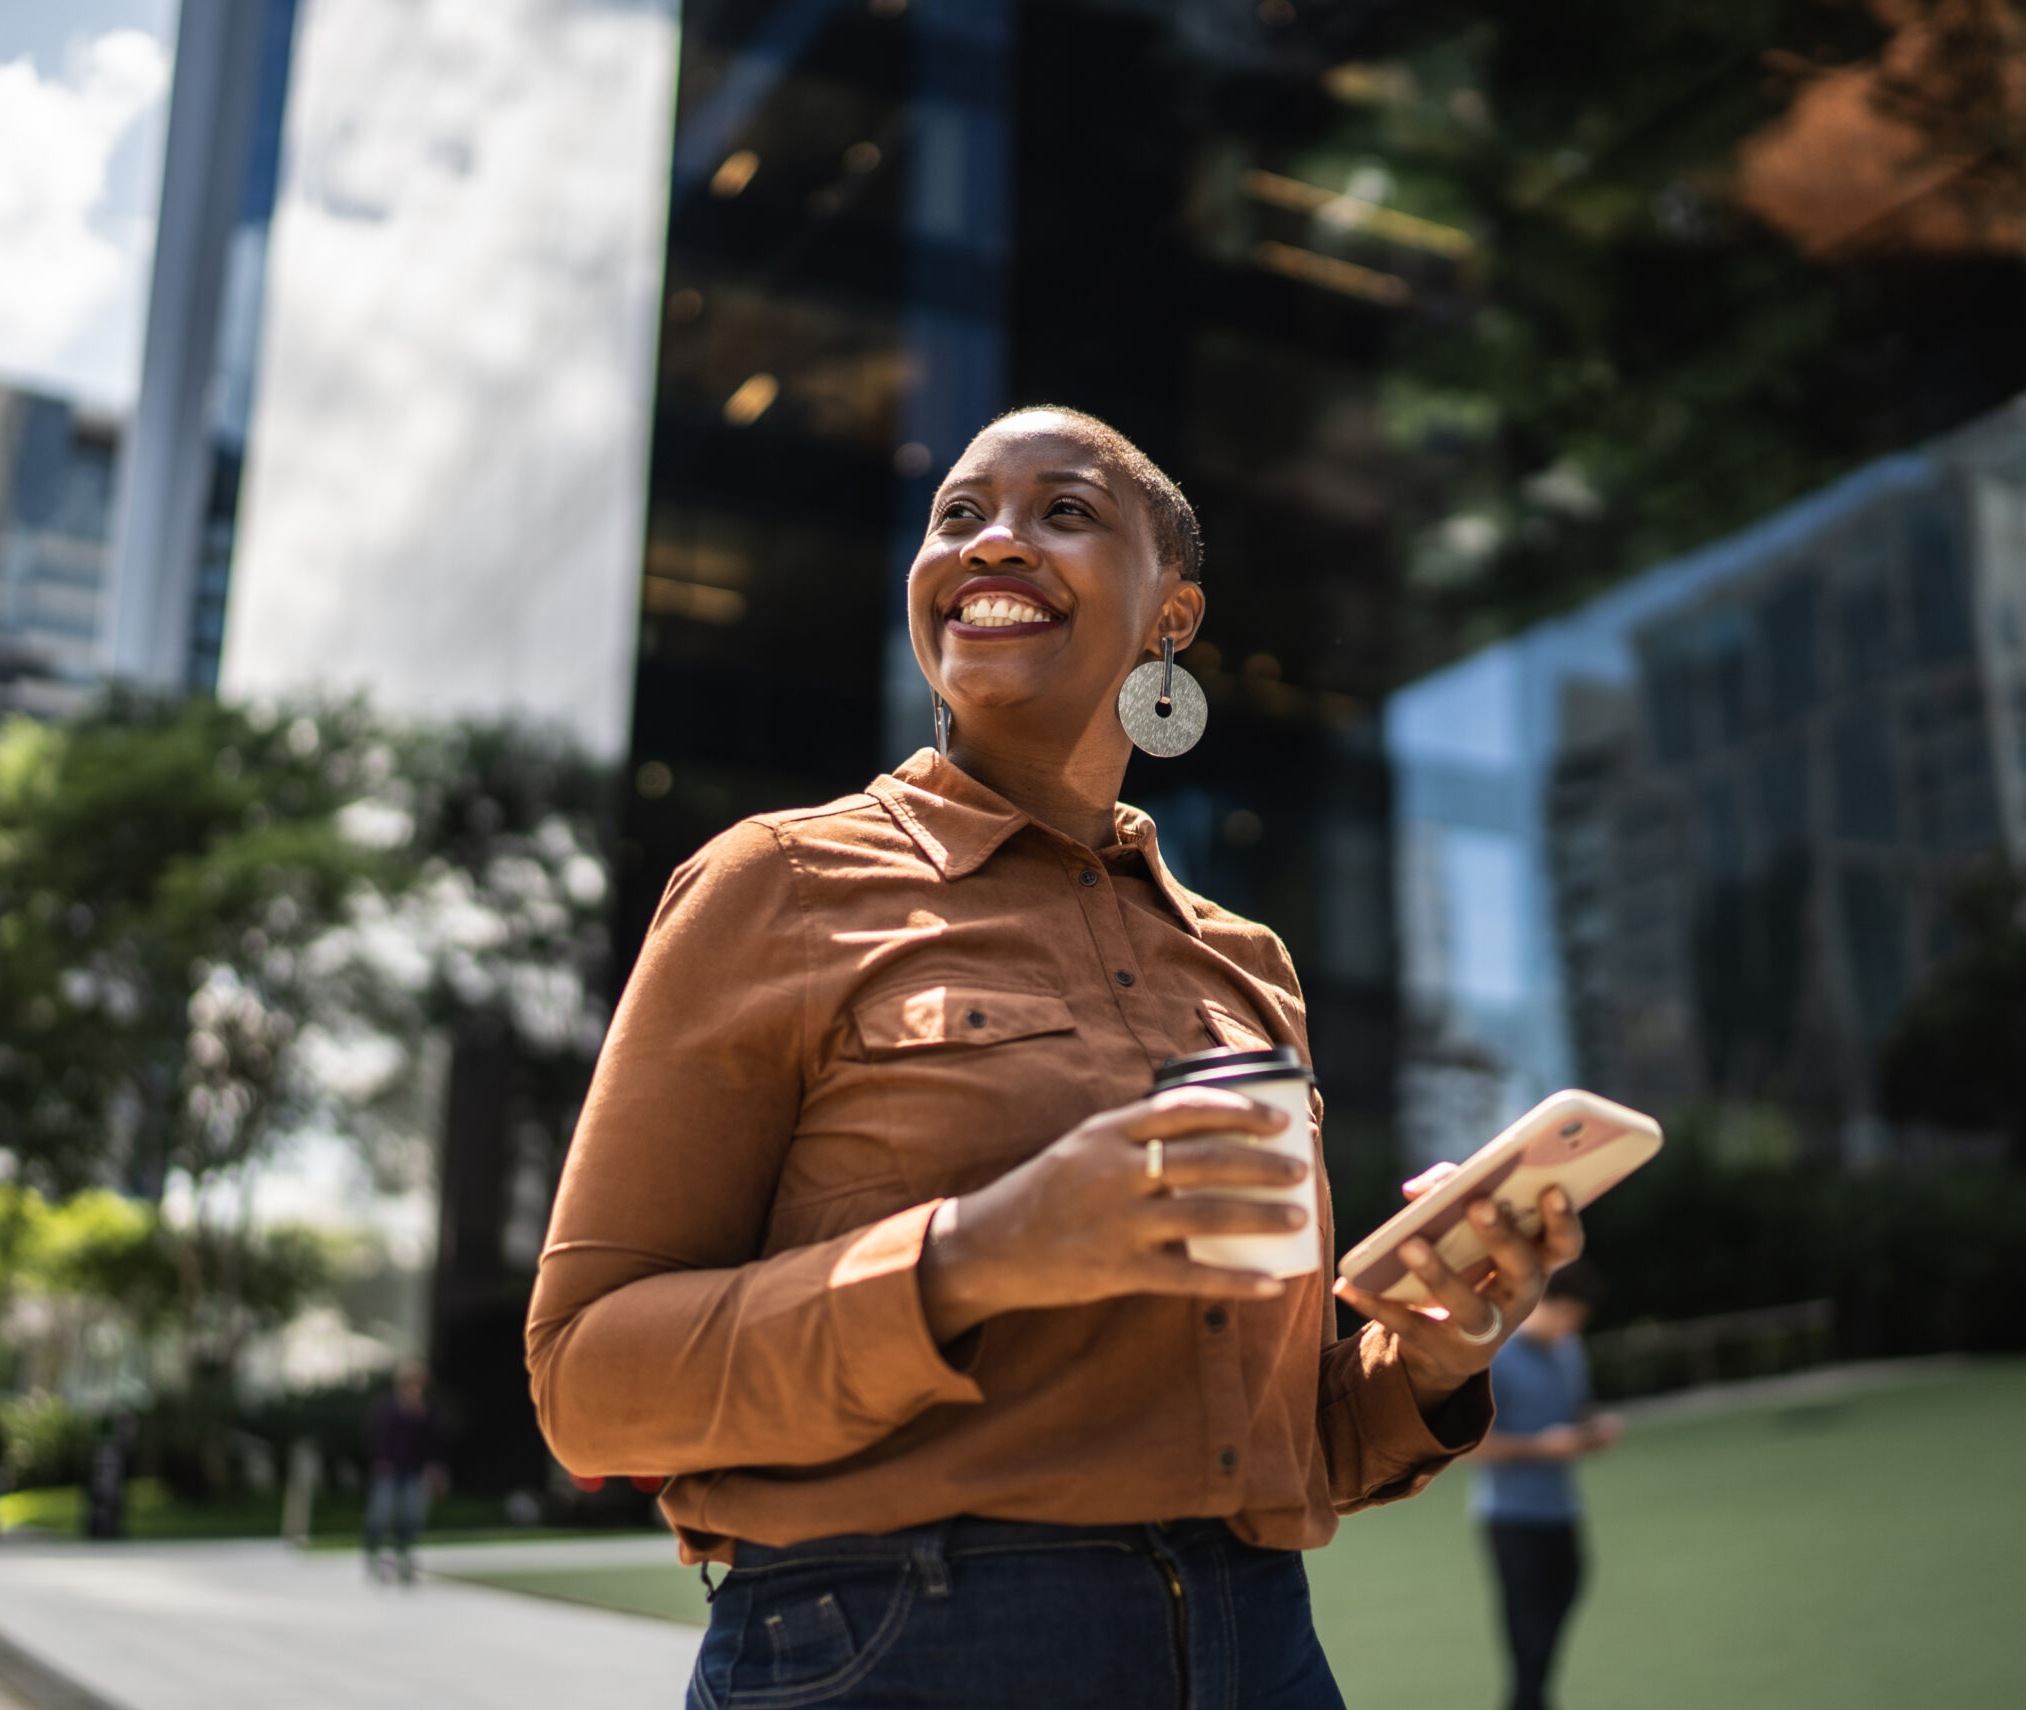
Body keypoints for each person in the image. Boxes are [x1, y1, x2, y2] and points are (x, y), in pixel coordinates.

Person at [528, 406, 1587, 1710]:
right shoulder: (777, 883)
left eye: (1064, 512)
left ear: (1173, 617)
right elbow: (588, 1381)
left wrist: (1425, 1356)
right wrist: (978, 1250)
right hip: (899, 1644)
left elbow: (1266, 1441)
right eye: (959, 516)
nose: (994, 544)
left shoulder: (1246, 965)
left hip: (1262, 1645)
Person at [1466, 1262, 1623, 1710]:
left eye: (1577, 1320)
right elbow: (1469, 1449)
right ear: (1540, 1305)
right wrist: (1540, 1448)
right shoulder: (1497, 1359)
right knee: (1528, 1637)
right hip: (1510, 1517)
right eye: (1565, 1316)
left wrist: (1594, 1430)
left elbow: (1576, 1412)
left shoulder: (1569, 1350)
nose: (1569, 1327)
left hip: (1562, 1510)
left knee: (1568, 1589)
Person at [364, 1364, 449, 1582]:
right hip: (389, 1471)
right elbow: (376, 1436)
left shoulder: (427, 1409)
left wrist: (436, 1468)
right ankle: (373, 1554)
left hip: (414, 1471)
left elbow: (434, 1442)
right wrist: (379, 1460)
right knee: (380, 1515)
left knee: (410, 1516)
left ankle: (404, 1557)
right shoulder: (388, 1407)